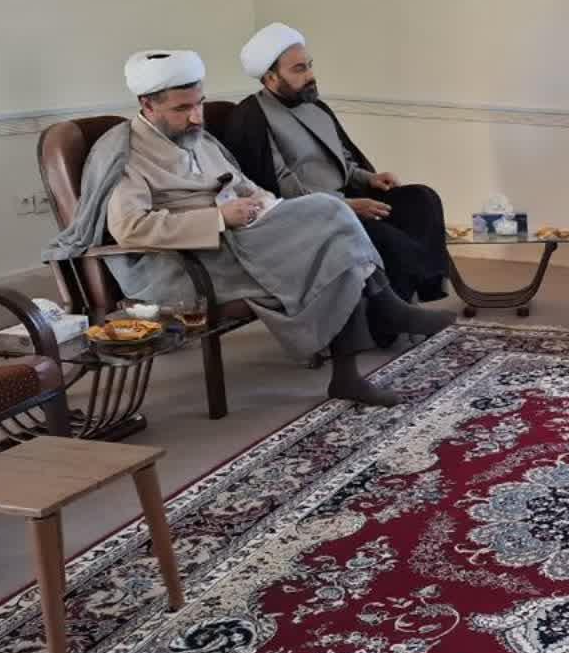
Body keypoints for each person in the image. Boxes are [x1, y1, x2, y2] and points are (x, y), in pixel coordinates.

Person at [47, 50, 453, 407]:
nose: (196, 117)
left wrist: (266, 205)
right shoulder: (125, 157)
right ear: (147, 105)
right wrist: (219, 218)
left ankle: (352, 367)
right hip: (182, 264)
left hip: (237, 240)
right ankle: (381, 319)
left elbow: (242, 184)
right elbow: (130, 227)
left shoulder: (197, 138)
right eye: (182, 108)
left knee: (329, 236)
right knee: (328, 219)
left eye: (199, 104)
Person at [222, 22, 448, 306]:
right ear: (270, 77)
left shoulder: (315, 106)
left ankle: (424, 288)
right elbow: (280, 188)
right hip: (313, 216)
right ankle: (392, 310)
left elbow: (343, 161)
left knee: (422, 199)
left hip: (348, 199)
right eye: (299, 69)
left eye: (309, 65)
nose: (310, 75)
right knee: (388, 238)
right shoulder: (252, 118)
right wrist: (345, 206)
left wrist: (369, 179)